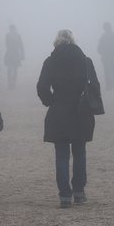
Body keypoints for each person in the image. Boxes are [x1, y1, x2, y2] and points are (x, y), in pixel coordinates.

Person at [36, 29, 99, 208]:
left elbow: (42, 87)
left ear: (56, 42)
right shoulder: (85, 61)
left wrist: (50, 101)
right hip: (81, 111)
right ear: (73, 41)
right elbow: (94, 86)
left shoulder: (50, 62)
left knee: (61, 154)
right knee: (80, 152)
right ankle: (79, 191)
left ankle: (65, 195)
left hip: (59, 110)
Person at [97, 22, 114, 90]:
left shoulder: (104, 37)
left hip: (108, 56)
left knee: (108, 70)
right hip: (110, 56)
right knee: (112, 70)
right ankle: (112, 85)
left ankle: (110, 85)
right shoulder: (113, 36)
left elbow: (99, 48)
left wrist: (102, 53)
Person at [4, 24, 25, 89]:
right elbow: (7, 45)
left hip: (16, 55)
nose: (12, 30)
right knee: (9, 69)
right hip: (10, 54)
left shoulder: (18, 36)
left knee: (15, 70)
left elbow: (21, 45)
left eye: (13, 29)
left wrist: (22, 54)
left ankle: (13, 84)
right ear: (10, 30)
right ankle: (10, 84)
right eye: (11, 29)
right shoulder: (8, 36)